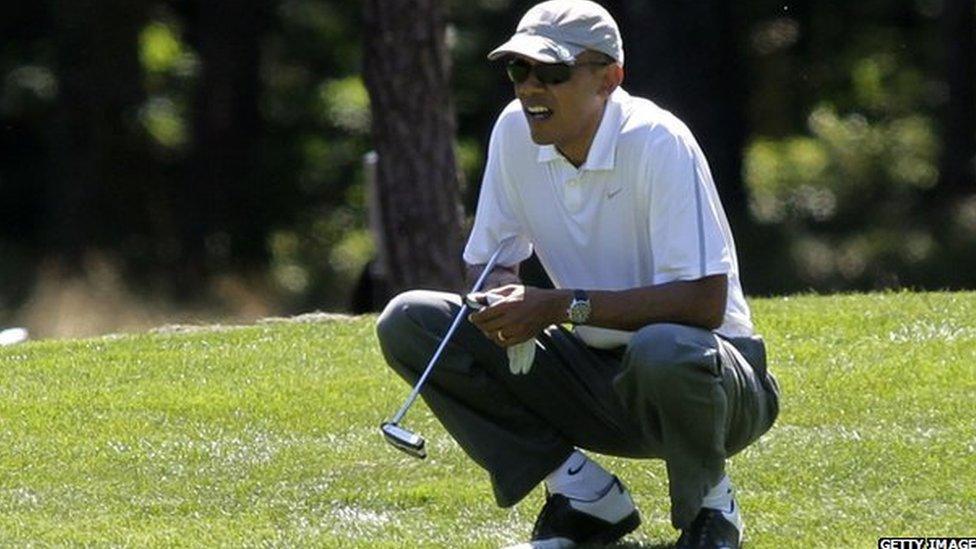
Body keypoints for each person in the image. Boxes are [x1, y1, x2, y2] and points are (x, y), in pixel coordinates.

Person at [376, 1, 780, 547]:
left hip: (714, 380)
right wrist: (498, 303)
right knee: (411, 320)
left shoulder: (658, 141)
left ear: (609, 79)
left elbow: (704, 303)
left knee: (664, 348)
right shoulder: (514, 133)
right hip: (594, 375)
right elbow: (493, 258)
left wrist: (560, 306)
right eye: (520, 70)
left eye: (553, 73)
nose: (530, 89)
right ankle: (586, 497)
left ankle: (711, 507)